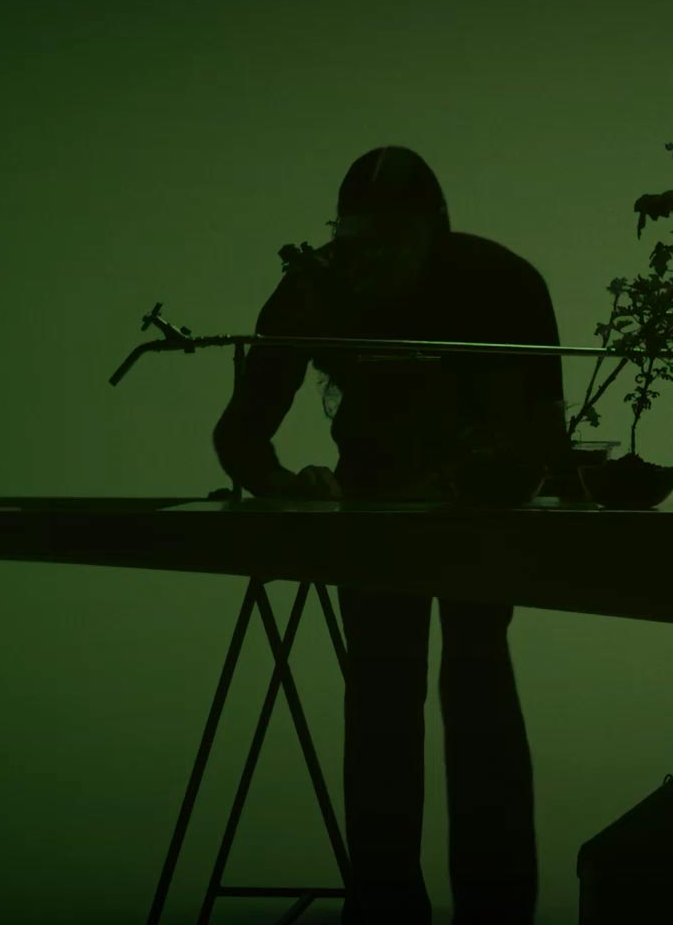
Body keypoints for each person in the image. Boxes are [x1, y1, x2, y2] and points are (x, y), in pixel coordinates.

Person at [212, 145, 566, 925]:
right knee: (395, 694)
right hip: (383, 513)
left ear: (433, 232)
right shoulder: (316, 287)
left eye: (387, 241)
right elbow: (241, 434)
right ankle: (396, 906)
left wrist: (495, 481)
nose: (369, 258)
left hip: (473, 514)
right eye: (356, 240)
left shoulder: (498, 281)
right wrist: (283, 484)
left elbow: (544, 431)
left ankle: (484, 907)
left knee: (459, 685)